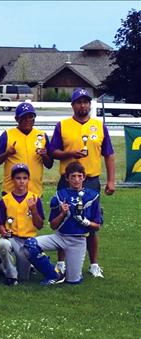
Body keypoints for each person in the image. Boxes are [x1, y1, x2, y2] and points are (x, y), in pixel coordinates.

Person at [50, 88, 115, 278]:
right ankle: (61, 262)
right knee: (64, 219)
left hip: (91, 181)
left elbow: (109, 154)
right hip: (67, 180)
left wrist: (111, 180)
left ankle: (93, 263)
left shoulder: (99, 125)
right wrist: (70, 154)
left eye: (86, 102)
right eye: (79, 102)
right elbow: (53, 152)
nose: (83, 105)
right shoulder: (62, 125)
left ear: (90, 104)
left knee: (92, 223)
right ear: (73, 105)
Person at [24, 162, 102, 285]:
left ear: (84, 177)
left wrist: (85, 222)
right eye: (73, 176)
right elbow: (53, 225)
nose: (76, 180)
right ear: (67, 178)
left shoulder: (92, 196)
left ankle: (70, 273)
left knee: (73, 281)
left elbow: (97, 225)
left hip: (78, 241)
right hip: (60, 237)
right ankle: (53, 274)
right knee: (30, 245)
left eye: (79, 176)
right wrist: (62, 214)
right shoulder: (60, 196)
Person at [0, 163, 45, 285]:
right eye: (18, 178)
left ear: (28, 179)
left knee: (24, 277)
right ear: (12, 180)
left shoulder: (35, 198)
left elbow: (39, 225)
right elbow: (0, 223)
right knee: (3, 244)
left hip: (28, 241)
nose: (21, 181)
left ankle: (3, 265)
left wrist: (34, 210)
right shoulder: (5, 200)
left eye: (24, 178)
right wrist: (3, 232)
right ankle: (11, 276)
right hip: (12, 238)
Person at [0, 102, 53, 197]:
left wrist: (44, 155)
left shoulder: (42, 135)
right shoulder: (8, 135)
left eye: (30, 117)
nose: (27, 120)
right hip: (11, 190)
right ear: (17, 119)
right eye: (24, 118)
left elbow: (49, 165)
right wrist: (6, 154)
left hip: (34, 190)